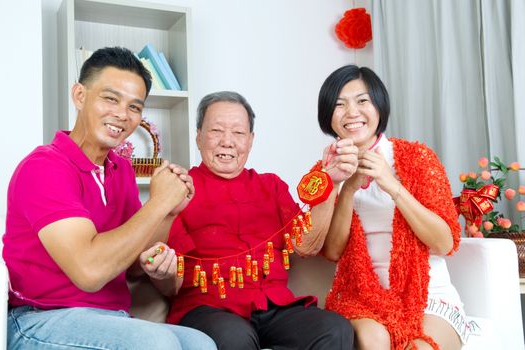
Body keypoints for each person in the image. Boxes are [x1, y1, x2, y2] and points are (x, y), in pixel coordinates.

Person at [3, 46, 216, 350]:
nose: (122, 115)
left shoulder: (121, 170)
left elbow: (131, 264)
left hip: (109, 318)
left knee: (201, 344)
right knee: (157, 343)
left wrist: (169, 210)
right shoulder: (43, 168)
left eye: (134, 107)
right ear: (79, 96)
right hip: (39, 319)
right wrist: (158, 202)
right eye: (110, 98)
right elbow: (89, 272)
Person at [154, 91, 354, 350]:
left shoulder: (271, 186)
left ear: (250, 140)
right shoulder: (180, 188)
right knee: (235, 336)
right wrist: (162, 272)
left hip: (274, 306)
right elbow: (173, 282)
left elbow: (306, 246)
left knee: (335, 329)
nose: (227, 142)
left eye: (238, 133)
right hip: (210, 309)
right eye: (216, 130)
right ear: (199, 136)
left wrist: (332, 181)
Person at [309, 64, 472, 349]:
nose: (352, 113)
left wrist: (392, 185)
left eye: (362, 101)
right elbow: (333, 252)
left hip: (428, 295)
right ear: (328, 117)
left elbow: (445, 242)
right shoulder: (325, 172)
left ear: (379, 106)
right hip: (361, 298)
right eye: (339, 105)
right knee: (373, 341)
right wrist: (345, 189)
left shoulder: (417, 157)